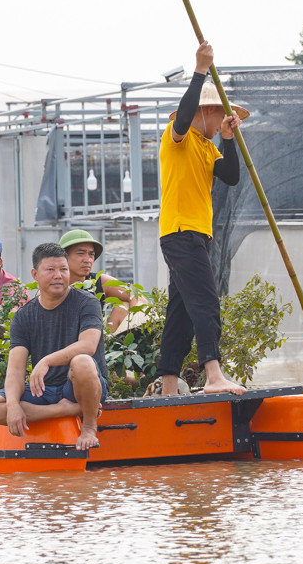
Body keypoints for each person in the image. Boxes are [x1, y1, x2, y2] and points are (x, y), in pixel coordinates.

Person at [157, 41, 249, 397]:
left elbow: (231, 176)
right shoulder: (176, 138)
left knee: (180, 311)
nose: (220, 121)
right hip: (182, 232)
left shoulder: (208, 146)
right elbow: (182, 116)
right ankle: (213, 375)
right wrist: (199, 69)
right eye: (218, 116)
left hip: (195, 235)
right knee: (206, 303)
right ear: (206, 111)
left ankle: (168, 383)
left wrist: (228, 138)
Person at [0, 243, 106, 451]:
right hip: (45, 391)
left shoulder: (86, 302)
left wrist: (47, 360)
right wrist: (12, 406)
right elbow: (16, 369)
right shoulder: (23, 316)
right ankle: (67, 410)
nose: (59, 275)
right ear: (35, 274)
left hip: (77, 386)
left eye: (63, 269)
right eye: (50, 270)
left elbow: (88, 345)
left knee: (81, 361)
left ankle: (89, 427)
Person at [58, 229, 149, 334]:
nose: (88, 260)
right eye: (81, 253)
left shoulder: (100, 281)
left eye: (91, 254)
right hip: (65, 344)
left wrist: (136, 319)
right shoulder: (53, 286)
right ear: (63, 257)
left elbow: (137, 296)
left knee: (123, 308)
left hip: (98, 342)